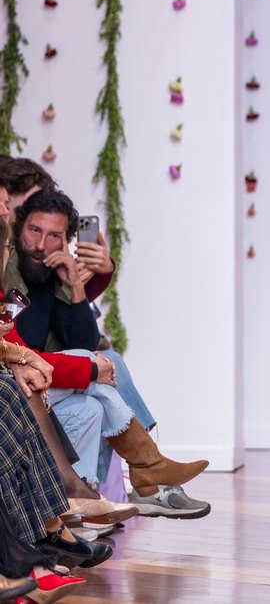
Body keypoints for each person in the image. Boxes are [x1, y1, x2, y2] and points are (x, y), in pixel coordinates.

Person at [6, 189, 210, 518]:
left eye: (54, 236)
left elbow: (84, 340)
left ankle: (94, 499)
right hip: (21, 380)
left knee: (92, 400)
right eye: (34, 231)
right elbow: (21, 350)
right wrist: (89, 369)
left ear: (66, 241)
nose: (41, 244)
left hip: (41, 379)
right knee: (104, 363)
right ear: (18, 228)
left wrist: (75, 285)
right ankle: (149, 470)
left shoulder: (48, 273)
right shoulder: (10, 271)